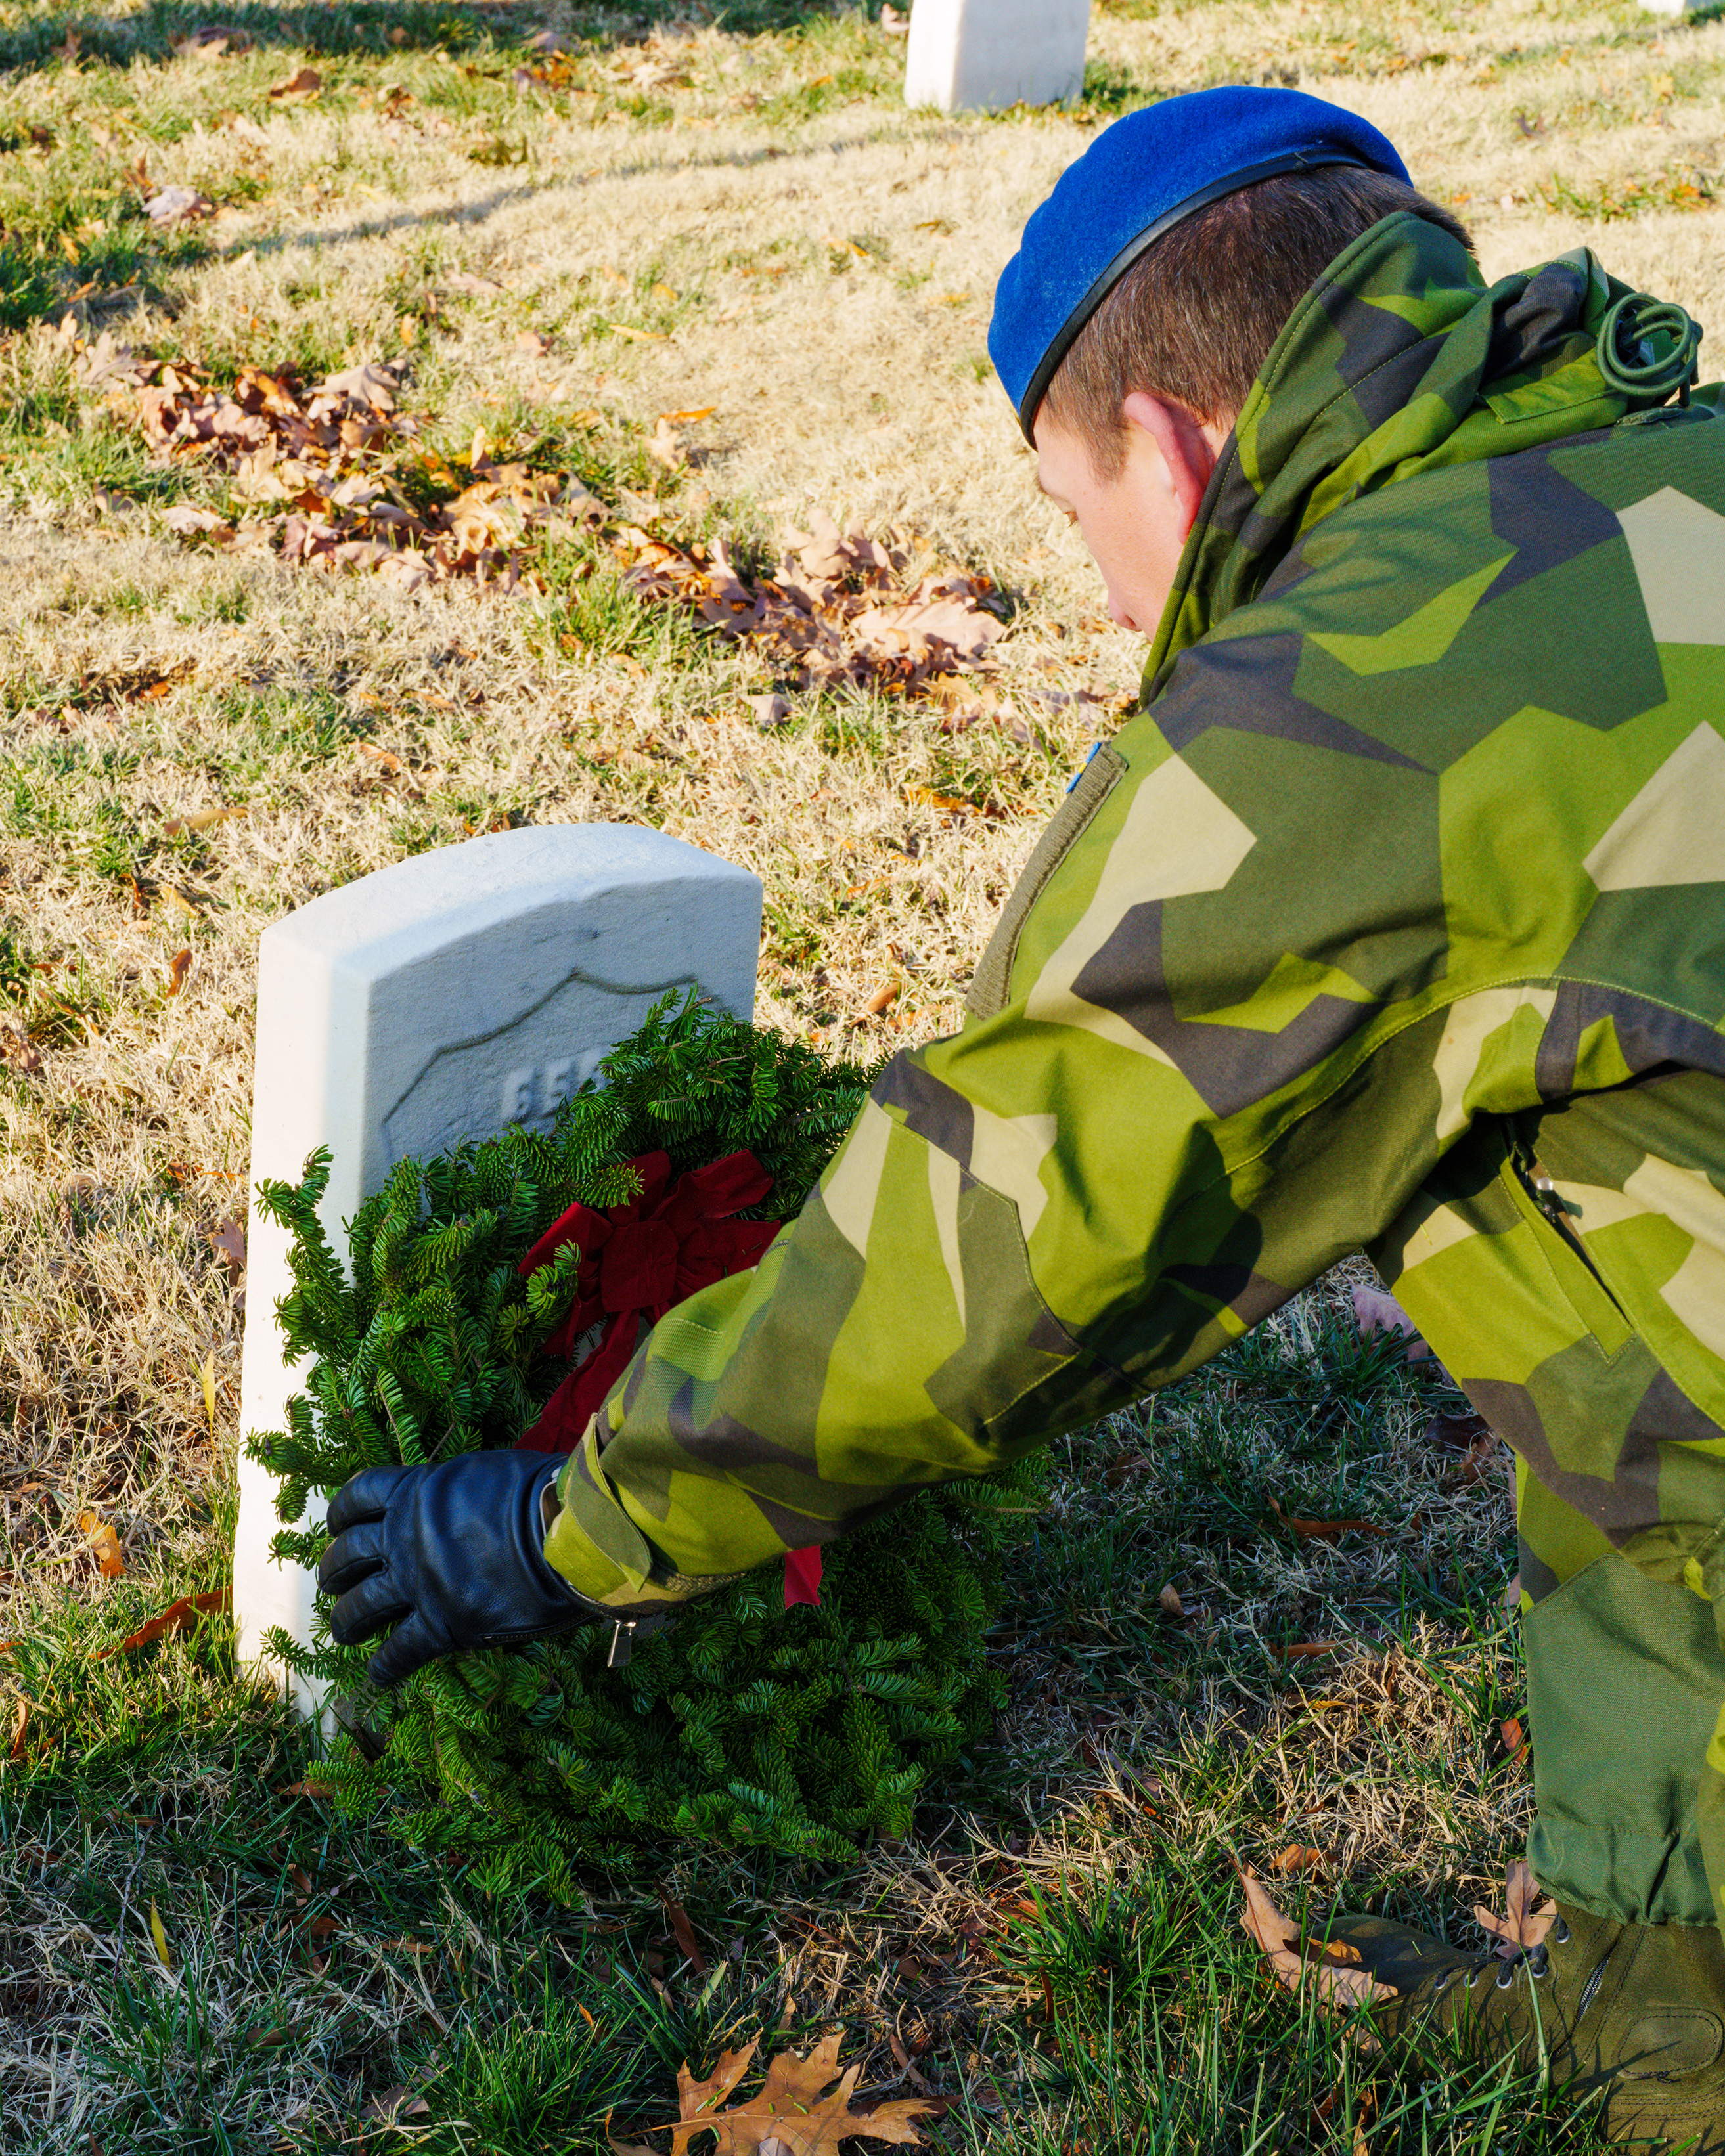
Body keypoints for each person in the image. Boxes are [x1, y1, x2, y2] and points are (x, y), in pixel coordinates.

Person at [317, 87, 1725, 2144]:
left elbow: (1014, 1232)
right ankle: (1658, 2016)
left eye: (1079, 527)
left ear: (1164, 449)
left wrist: (571, 1525)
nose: (1106, 600)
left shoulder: (1344, 706)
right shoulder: (1647, 460)